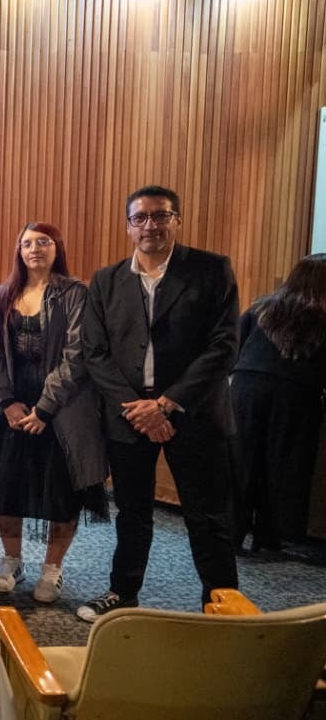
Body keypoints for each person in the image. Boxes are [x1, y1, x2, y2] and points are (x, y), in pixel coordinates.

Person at [81, 185, 240, 620]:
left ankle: (222, 603)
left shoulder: (211, 270)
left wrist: (168, 404)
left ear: (177, 220)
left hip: (194, 412)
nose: (150, 225)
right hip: (129, 414)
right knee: (132, 513)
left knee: (206, 517)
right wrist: (138, 407)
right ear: (128, 226)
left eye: (160, 216)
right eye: (140, 218)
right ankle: (122, 592)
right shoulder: (107, 280)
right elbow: (95, 352)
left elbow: (224, 346)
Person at [0, 223, 106, 603]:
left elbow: (77, 356)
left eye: (43, 242)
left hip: (61, 409)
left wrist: (45, 408)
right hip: (14, 409)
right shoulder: (4, 294)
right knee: (7, 489)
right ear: (18, 251)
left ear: (56, 248)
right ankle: (12, 561)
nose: (35, 249)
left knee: (60, 495)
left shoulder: (74, 293)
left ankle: (52, 570)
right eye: (27, 243)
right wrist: (6, 400)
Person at [230, 253, 326, 555]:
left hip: (245, 386)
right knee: (282, 465)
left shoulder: (262, 306)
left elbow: (235, 345)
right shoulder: (321, 314)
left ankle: (231, 533)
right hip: (294, 393)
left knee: (242, 461)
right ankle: (270, 538)